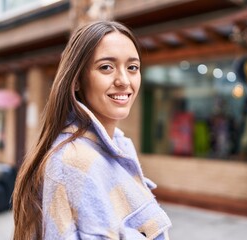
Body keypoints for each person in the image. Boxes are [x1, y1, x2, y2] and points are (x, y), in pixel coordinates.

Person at [12, 21, 172, 240]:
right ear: (77, 80)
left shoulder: (120, 145)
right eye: (106, 67)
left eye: (132, 67)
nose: (124, 81)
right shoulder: (72, 161)